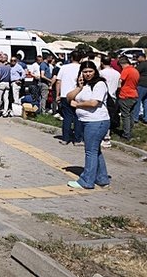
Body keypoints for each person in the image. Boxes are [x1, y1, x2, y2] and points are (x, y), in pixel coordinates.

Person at [66, 61, 111, 190]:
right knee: (95, 150)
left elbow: (94, 103)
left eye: (90, 71)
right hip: (86, 121)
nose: (87, 74)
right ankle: (102, 178)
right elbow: (69, 97)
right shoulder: (83, 85)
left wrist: (77, 105)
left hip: (97, 121)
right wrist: (79, 87)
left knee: (90, 151)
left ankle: (87, 180)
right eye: (85, 72)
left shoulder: (100, 84)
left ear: (95, 71)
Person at [56, 51, 82, 145]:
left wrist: (57, 94)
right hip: (77, 94)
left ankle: (65, 138)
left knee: (67, 117)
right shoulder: (81, 68)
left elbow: (59, 81)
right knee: (77, 117)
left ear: (71, 58)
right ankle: (77, 139)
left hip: (65, 95)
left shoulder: (64, 67)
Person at [99, 56, 120, 147]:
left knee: (103, 116)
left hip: (104, 96)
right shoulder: (117, 73)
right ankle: (108, 134)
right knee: (110, 116)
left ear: (102, 63)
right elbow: (119, 85)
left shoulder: (101, 73)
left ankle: (104, 136)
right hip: (113, 96)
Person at [117, 56, 140, 141]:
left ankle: (126, 134)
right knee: (131, 115)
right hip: (134, 94)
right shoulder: (135, 70)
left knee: (125, 115)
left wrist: (118, 89)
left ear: (122, 64)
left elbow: (120, 81)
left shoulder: (126, 70)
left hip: (125, 95)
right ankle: (130, 131)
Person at [133, 53, 147, 125]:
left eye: (137, 57)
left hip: (143, 84)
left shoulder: (142, 64)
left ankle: (135, 118)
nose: (136, 58)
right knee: (146, 101)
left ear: (142, 57)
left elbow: (135, 72)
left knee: (137, 100)